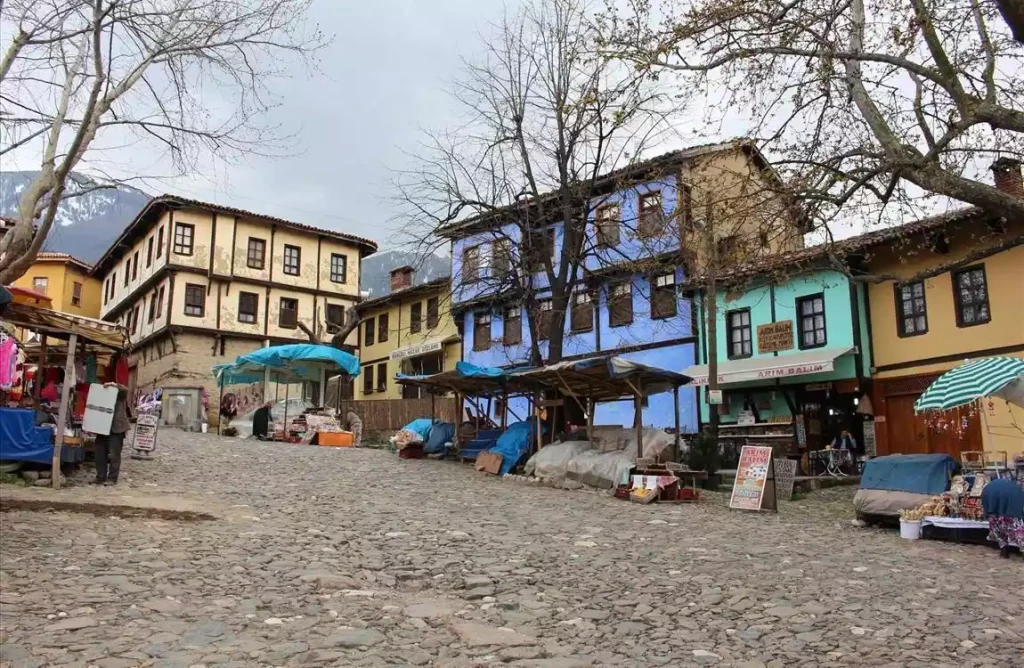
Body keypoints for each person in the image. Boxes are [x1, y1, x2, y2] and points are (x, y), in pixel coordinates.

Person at [93, 383, 134, 486]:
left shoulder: (119, 396)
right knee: (100, 455)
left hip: (116, 429)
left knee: (114, 455)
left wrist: (114, 385)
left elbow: (125, 390)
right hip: (102, 428)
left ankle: (112, 478)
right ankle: (100, 477)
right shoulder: (100, 398)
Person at [981, 478, 1024, 559]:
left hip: (993, 507)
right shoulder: (1016, 490)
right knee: (1017, 530)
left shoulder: (989, 488)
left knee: (999, 530)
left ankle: (1004, 550)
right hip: (1010, 510)